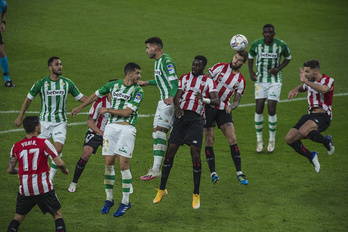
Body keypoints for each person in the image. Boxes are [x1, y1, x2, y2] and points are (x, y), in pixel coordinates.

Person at [71, 62, 144, 217]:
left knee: (123, 165)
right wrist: (80, 107)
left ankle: (125, 202)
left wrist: (108, 110)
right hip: (110, 129)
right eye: (137, 73)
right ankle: (109, 199)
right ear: (129, 74)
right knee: (108, 163)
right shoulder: (113, 85)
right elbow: (95, 95)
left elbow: (128, 112)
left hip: (126, 128)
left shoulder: (138, 91)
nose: (140, 76)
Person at [153, 55, 218, 209]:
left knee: (195, 154)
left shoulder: (209, 82)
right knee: (170, 152)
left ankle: (196, 193)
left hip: (197, 120)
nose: (194, 67)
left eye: (198, 65)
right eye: (193, 64)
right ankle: (162, 189)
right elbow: (178, 94)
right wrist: (177, 107)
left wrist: (204, 99)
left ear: (203, 67)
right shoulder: (184, 78)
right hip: (181, 117)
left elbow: (215, 101)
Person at [14, 56, 87, 182]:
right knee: (41, 152)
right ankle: (39, 174)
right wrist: (20, 116)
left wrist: (97, 98)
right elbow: (28, 99)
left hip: (60, 123)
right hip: (43, 123)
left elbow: (81, 97)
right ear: (50, 67)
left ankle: (49, 179)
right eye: (57, 64)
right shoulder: (41, 83)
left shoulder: (67, 83)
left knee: (57, 149)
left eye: (61, 64)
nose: (60, 67)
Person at [7, 116, 69, 232]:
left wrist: (21, 171)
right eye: (39, 125)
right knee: (57, 215)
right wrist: (64, 169)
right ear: (36, 128)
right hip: (43, 188)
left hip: (25, 190)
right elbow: (59, 162)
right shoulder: (44, 142)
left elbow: (10, 170)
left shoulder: (16, 146)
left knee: (17, 218)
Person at [203, 50, 249, 185]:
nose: (235, 61)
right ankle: (213, 173)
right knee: (209, 140)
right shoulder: (219, 67)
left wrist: (232, 107)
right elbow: (204, 79)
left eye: (239, 60)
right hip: (209, 107)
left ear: (243, 63)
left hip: (223, 109)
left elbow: (236, 101)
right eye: (235, 57)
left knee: (232, 138)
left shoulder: (241, 81)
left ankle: (239, 173)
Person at [138, 37, 178, 180]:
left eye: (148, 48)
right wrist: (147, 82)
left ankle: (156, 169)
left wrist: (172, 98)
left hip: (168, 102)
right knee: (156, 133)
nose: (146, 50)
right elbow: (162, 80)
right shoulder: (158, 62)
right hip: (162, 101)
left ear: (155, 48)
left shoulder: (167, 62)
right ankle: (155, 169)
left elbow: (174, 82)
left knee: (160, 132)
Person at [68, 79, 117, 193]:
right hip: (96, 133)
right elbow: (90, 122)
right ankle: (74, 182)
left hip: (111, 135)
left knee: (109, 161)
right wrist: (102, 134)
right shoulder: (100, 101)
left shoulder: (120, 103)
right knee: (86, 154)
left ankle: (110, 192)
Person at [285, 59, 335, 172]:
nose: (305, 74)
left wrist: (305, 82)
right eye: (304, 72)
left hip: (323, 116)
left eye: (307, 72)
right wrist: (296, 89)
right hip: (310, 116)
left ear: (316, 71)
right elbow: (302, 88)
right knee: (289, 139)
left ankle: (327, 142)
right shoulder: (309, 82)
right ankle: (311, 156)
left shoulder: (328, 80)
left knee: (303, 131)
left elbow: (323, 90)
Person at [248, 24, 291, 153]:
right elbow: (250, 58)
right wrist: (251, 72)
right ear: (263, 33)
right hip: (260, 80)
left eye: (270, 32)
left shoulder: (281, 45)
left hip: (275, 81)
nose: (267, 34)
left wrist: (278, 68)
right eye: (265, 32)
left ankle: (272, 140)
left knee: (271, 109)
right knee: (259, 108)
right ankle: (259, 140)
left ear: (274, 33)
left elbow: (288, 57)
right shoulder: (256, 44)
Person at [0, 0, 13, 87]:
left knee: (1, 52)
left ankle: (7, 80)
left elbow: (5, 9)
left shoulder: (2, 3)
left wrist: (3, 22)